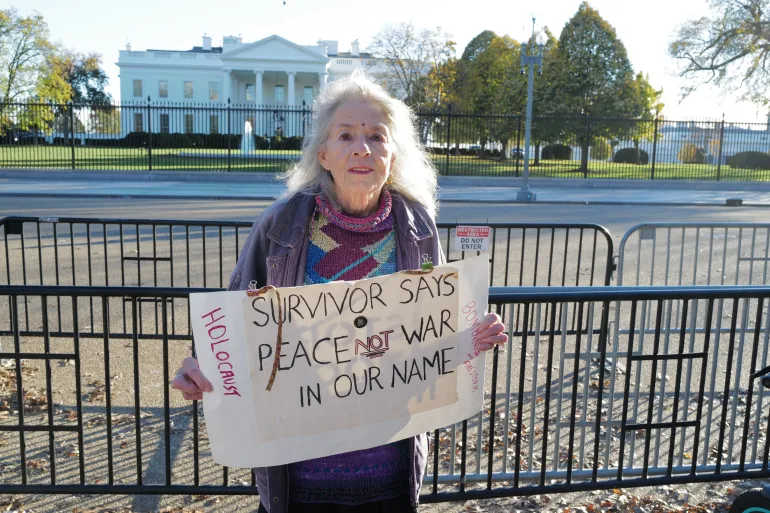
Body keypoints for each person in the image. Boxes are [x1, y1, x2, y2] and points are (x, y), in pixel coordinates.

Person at [171, 70, 508, 513]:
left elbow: (433, 327)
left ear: (393, 155)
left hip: (390, 471)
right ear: (324, 154)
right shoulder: (280, 225)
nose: (362, 148)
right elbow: (233, 317)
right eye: (345, 135)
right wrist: (202, 365)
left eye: (376, 137)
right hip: (299, 476)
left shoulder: (418, 226)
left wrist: (471, 337)